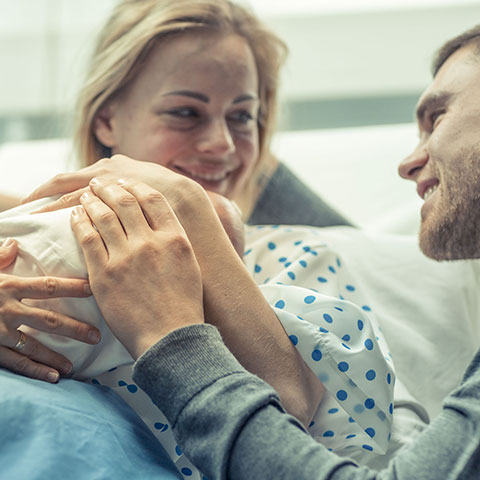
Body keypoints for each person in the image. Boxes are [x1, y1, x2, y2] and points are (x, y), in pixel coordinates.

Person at [51, 25, 480, 479]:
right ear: (106, 119)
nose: (222, 144)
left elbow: (309, 406)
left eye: (244, 118)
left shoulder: (300, 254)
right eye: (184, 112)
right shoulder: (34, 242)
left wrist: (194, 215)